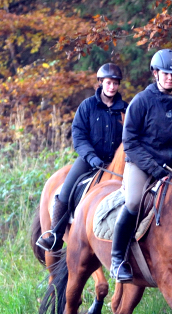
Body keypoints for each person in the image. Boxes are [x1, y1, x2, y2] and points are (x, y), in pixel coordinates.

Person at [110, 49, 172, 282]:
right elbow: (130, 142)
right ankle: (117, 260)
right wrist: (155, 169)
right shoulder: (141, 101)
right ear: (155, 73)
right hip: (141, 162)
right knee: (134, 201)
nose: (170, 77)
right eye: (165, 73)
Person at [36, 63, 128, 251]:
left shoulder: (125, 109)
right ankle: (56, 234)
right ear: (101, 83)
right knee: (66, 191)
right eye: (108, 83)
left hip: (117, 163)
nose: (112, 87)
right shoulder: (87, 106)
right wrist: (91, 157)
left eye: (115, 84)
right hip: (90, 160)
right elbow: (78, 136)